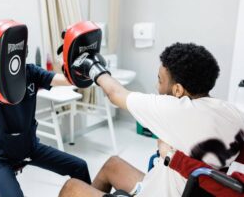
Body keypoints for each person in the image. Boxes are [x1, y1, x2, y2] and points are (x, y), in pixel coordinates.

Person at [58, 42, 244, 197]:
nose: (156, 86)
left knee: (71, 187)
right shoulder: (233, 112)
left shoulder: (176, 110)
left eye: (160, 80)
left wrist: (92, 67)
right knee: (113, 164)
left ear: (178, 90)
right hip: (174, 188)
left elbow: (115, 94)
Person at [0, 32, 91, 197]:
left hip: (29, 148)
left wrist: (75, 62)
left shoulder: (31, 72)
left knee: (79, 166)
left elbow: (68, 81)